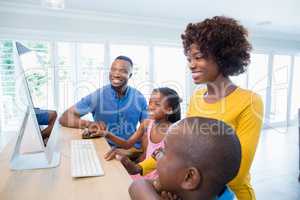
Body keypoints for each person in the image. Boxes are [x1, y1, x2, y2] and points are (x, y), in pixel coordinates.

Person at [181, 16, 264, 199]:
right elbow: (180, 147)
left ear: (222, 57)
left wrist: (179, 181)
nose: (191, 64)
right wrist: (140, 167)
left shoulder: (250, 101)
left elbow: (237, 175)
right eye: (189, 58)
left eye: (198, 57)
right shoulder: (196, 98)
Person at [129, 117, 241, 200]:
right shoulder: (210, 191)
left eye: (165, 151)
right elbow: (138, 185)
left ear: (189, 177)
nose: (157, 154)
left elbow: (138, 186)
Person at [59, 56, 148, 152]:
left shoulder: (139, 98)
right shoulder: (98, 96)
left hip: (131, 150)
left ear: (130, 75)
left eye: (123, 71)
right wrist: (90, 124)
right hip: (103, 148)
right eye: (113, 70)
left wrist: (136, 153)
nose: (116, 74)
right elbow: (65, 117)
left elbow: (148, 128)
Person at [103, 87, 181, 179]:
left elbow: (170, 162)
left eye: (157, 104)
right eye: (150, 102)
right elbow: (127, 144)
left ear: (169, 110)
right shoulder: (147, 124)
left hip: (160, 178)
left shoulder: (174, 132)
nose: (150, 107)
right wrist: (107, 134)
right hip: (143, 171)